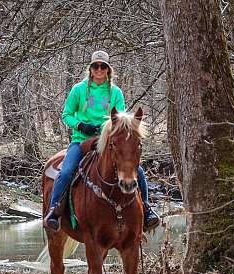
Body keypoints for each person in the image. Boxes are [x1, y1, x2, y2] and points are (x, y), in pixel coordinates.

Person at [44, 50, 160, 232]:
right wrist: (81, 125)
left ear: (108, 70)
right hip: (81, 139)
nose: (99, 69)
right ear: (90, 69)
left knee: (138, 171)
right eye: (96, 66)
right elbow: (66, 114)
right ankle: (55, 211)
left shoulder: (116, 92)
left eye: (103, 66)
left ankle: (146, 209)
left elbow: (121, 120)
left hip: (107, 140)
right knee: (66, 171)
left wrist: (107, 130)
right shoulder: (78, 90)